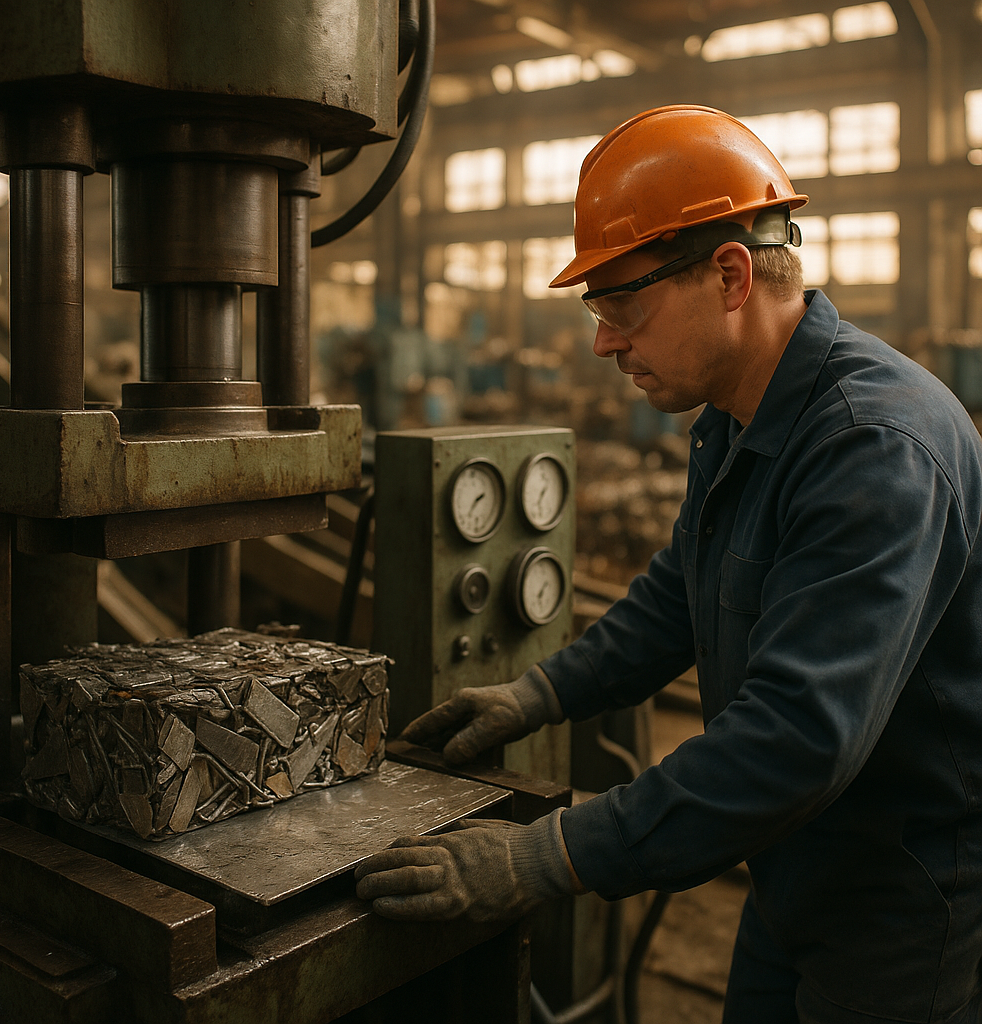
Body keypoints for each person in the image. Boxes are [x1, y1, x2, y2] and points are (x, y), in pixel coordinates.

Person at [354, 105, 982, 1024]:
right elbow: (682, 592)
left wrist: (541, 858)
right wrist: (538, 694)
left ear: (730, 275)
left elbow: (798, 737)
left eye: (622, 307)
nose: (604, 342)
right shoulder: (737, 415)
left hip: (901, 896)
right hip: (793, 861)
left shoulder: (874, 448)